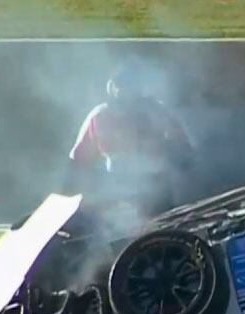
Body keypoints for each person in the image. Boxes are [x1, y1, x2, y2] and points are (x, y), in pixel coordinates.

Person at [63, 60, 194, 218]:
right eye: (121, 85)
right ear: (112, 87)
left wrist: (177, 160)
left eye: (129, 85)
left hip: (155, 189)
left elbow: (182, 146)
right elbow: (79, 159)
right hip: (117, 191)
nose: (125, 91)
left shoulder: (155, 111)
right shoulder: (99, 116)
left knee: (157, 231)